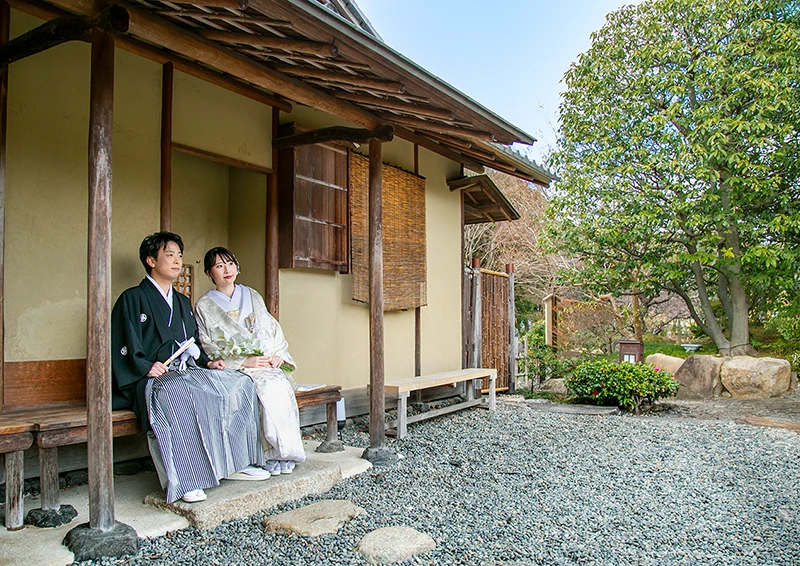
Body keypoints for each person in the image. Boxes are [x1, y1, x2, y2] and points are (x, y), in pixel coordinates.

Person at [111, 232, 272, 504]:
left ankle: (237, 462)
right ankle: (186, 478)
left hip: (186, 371)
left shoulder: (182, 302)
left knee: (239, 382)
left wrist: (208, 363)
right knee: (178, 393)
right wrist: (146, 366)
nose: (177, 261)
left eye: (179, 255)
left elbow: (193, 344)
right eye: (169, 255)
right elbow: (123, 344)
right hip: (154, 378)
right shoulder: (132, 298)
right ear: (151, 260)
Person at [195, 246, 306, 475]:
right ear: (209, 273)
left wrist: (277, 356)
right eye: (219, 266)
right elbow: (208, 343)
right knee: (255, 390)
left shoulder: (252, 295)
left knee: (277, 384)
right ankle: (265, 454)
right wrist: (244, 361)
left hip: (264, 363)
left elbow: (271, 328)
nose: (227, 270)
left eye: (230, 263)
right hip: (234, 368)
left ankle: (283, 452)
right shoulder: (204, 306)